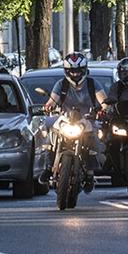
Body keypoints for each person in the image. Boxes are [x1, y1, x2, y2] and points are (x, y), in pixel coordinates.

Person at [41, 52, 104, 190]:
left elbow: (104, 102)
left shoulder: (93, 84)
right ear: (66, 71)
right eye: (72, 71)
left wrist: (103, 109)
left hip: (86, 119)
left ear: (84, 70)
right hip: (65, 118)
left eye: (78, 71)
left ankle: (90, 172)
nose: (75, 74)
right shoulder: (61, 84)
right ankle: (47, 167)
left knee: (95, 137)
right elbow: (52, 100)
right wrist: (47, 107)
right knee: (47, 126)